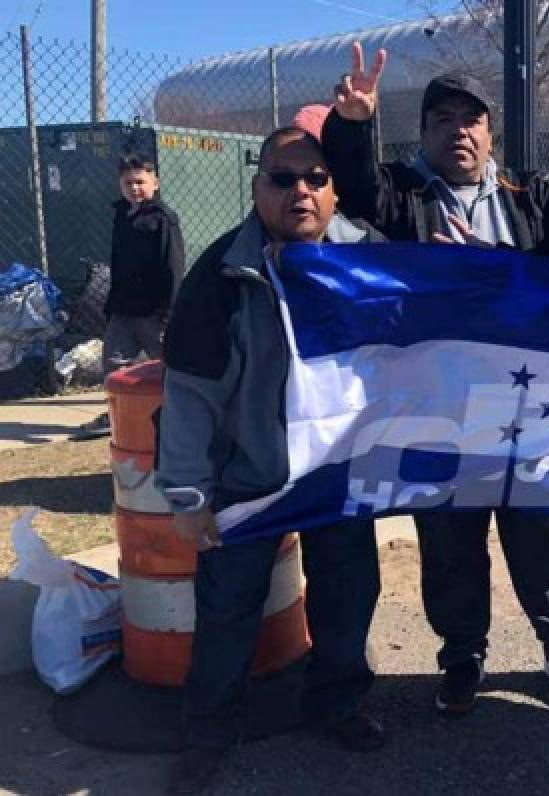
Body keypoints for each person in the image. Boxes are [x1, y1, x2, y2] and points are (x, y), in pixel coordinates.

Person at [322, 44, 549, 715]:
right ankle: (462, 653)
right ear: (423, 132)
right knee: (450, 541)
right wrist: (351, 123)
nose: (458, 130)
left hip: (527, 406)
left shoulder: (525, 194)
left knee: (539, 534)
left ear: (490, 132)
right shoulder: (401, 196)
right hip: (440, 407)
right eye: (442, 119)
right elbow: (353, 186)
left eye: (471, 119)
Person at [156, 127, 386, 795]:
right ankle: (209, 731)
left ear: (334, 189)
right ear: (256, 187)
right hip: (247, 481)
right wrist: (189, 494)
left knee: (347, 595)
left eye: (314, 177)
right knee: (228, 609)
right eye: (282, 179)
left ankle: (337, 703)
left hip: (336, 476)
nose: (300, 191)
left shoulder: (368, 262)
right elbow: (191, 392)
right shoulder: (219, 275)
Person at [75, 152, 185, 438]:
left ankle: (183, 410)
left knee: (170, 361)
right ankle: (117, 412)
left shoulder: (163, 220)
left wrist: (168, 309)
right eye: (127, 183)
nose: (134, 188)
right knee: (114, 362)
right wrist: (112, 305)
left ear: (155, 183)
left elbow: (173, 268)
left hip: (153, 310)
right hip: (124, 307)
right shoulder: (121, 216)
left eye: (140, 182)